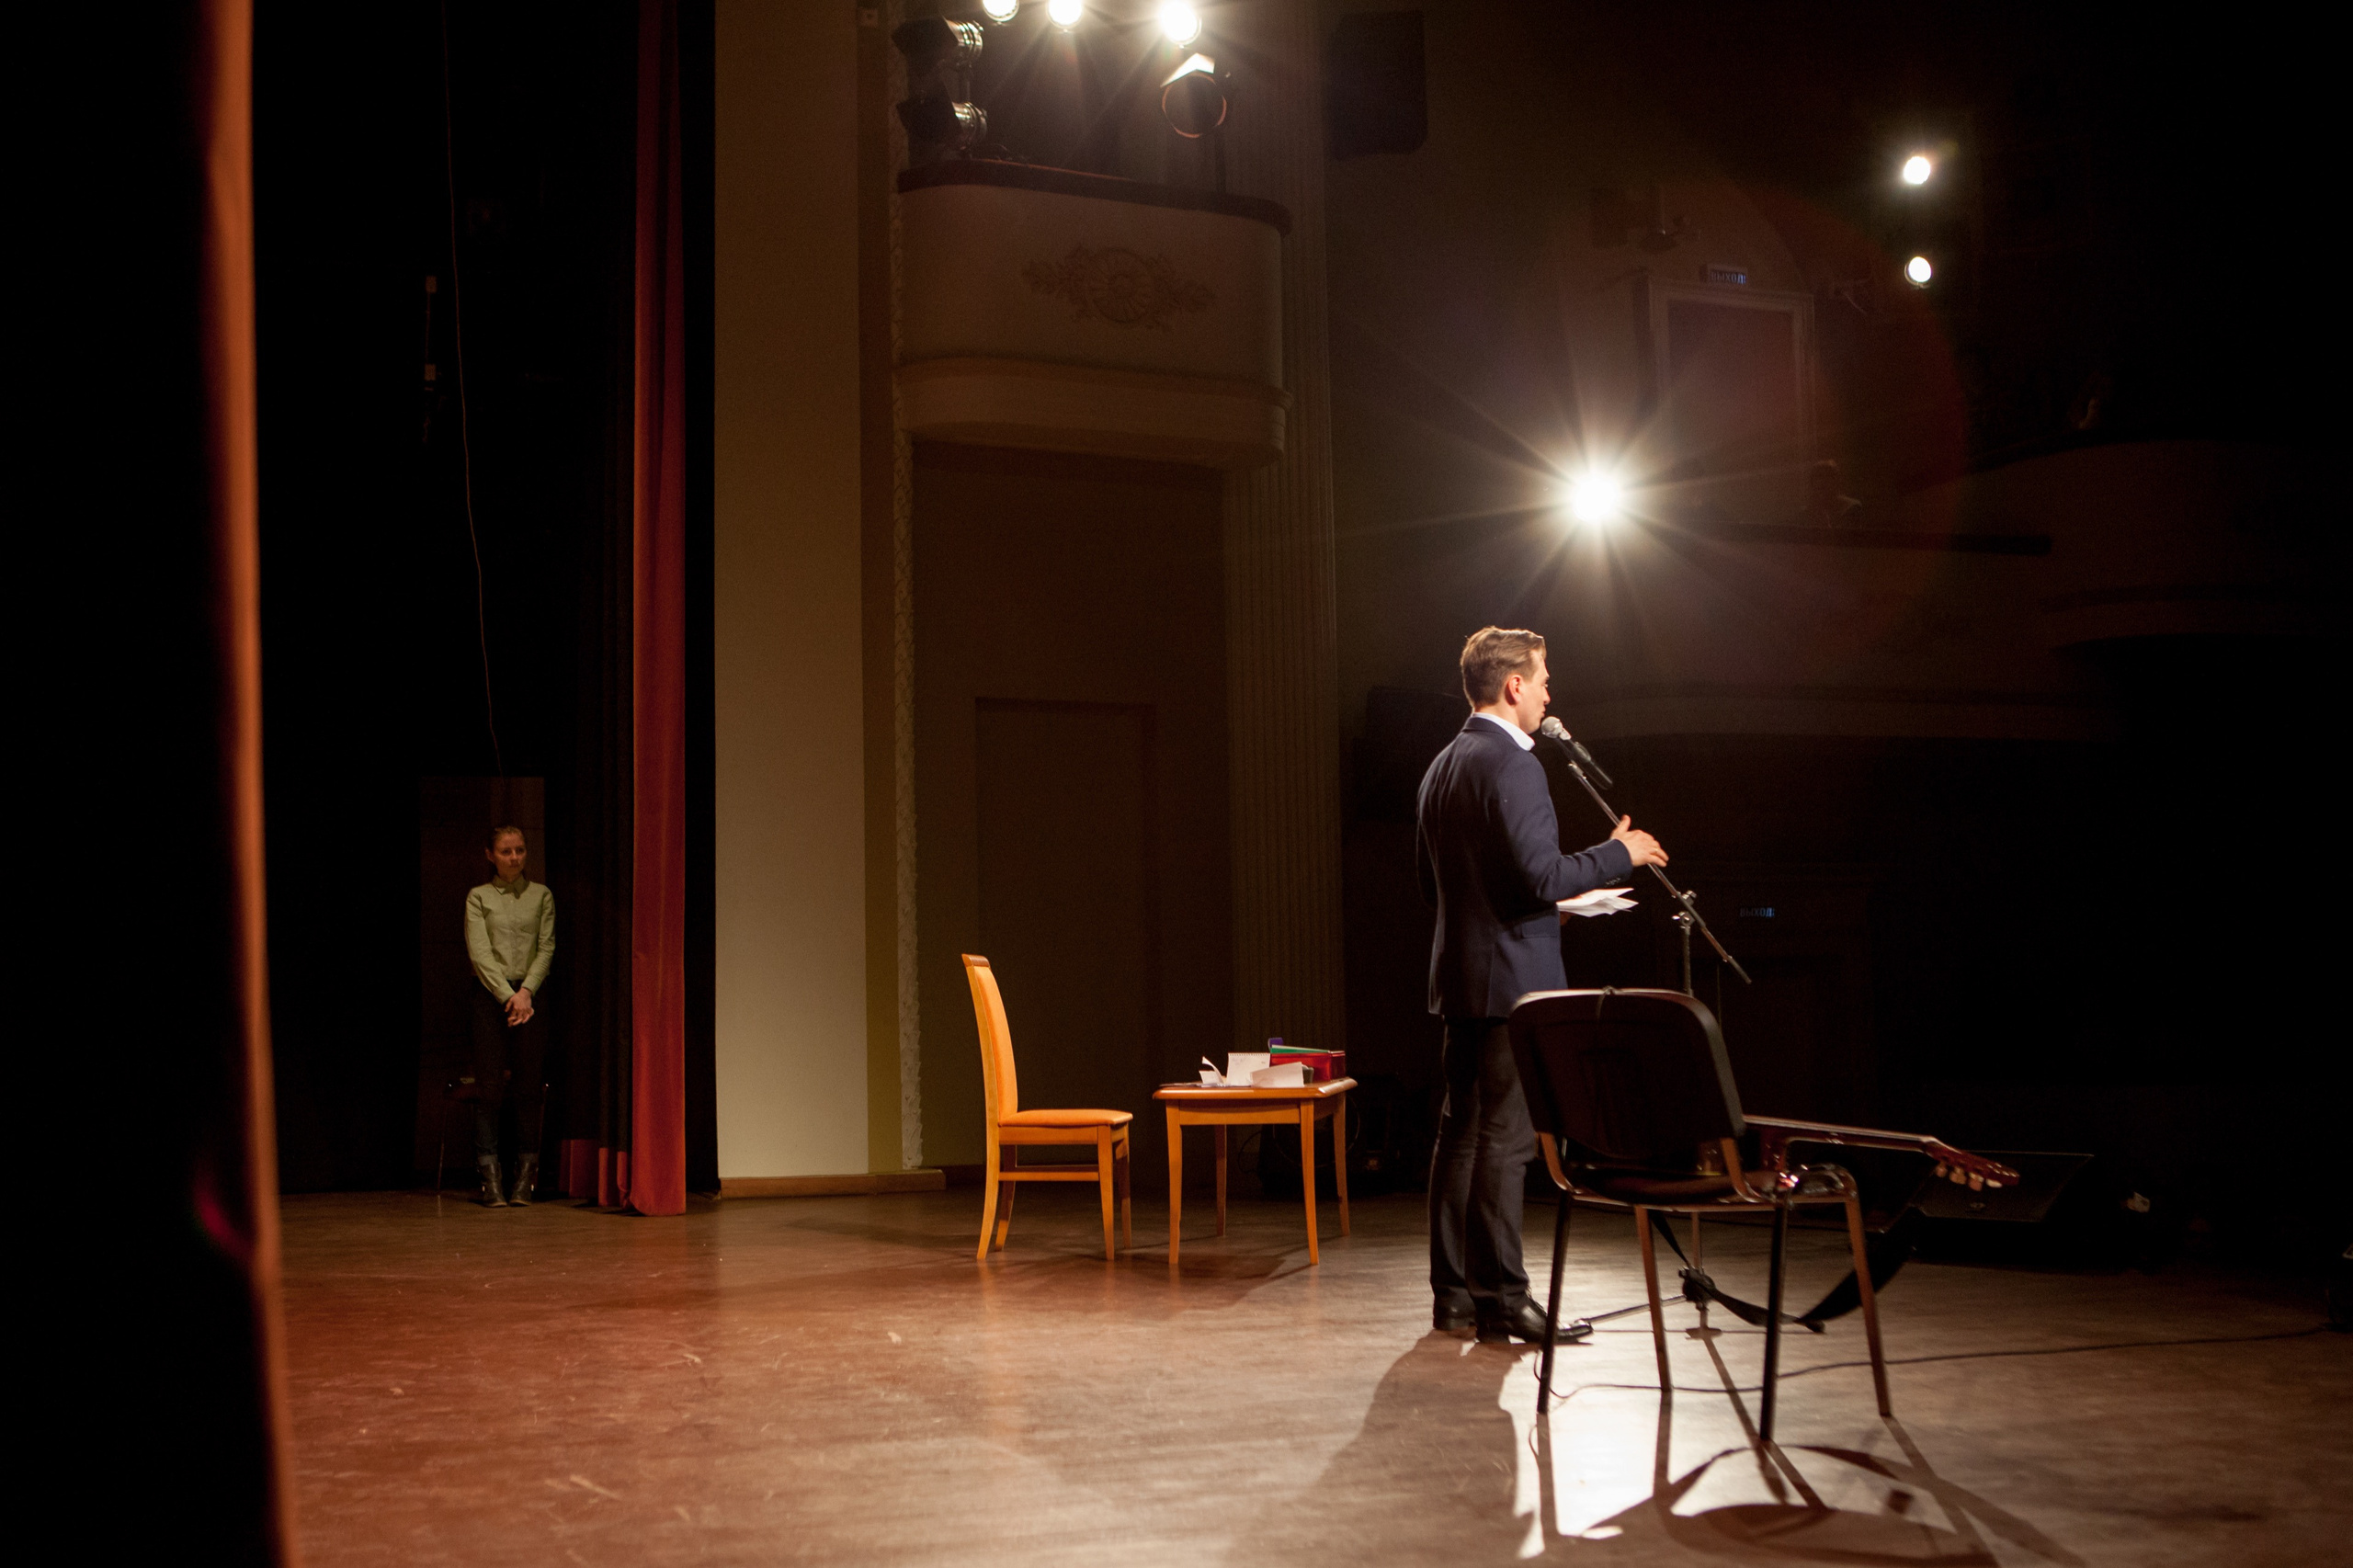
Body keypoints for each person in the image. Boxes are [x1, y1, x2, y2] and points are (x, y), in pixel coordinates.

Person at [1415, 627, 1668, 1343]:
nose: (1551, 692)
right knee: (1503, 1144)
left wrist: (1536, 904)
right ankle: (1503, 1299)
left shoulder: (1441, 765)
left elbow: (1437, 887)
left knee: (1459, 1138)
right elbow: (1541, 874)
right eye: (1544, 678)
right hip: (1512, 985)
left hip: (1463, 977)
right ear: (1514, 686)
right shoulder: (1515, 765)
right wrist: (1618, 853)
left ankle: (1456, 1295)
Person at [464, 824, 555, 1208]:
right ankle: (491, 1181)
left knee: (528, 1088)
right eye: (506, 851)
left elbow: (546, 947)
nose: (514, 858)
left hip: (530, 995)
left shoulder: (541, 896)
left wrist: (526, 993)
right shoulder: (479, 897)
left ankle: (524, 1180)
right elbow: (480, 953)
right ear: (490, 854)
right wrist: (509, 997)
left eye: (520, 850)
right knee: (489, 1088)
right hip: (491, 997)